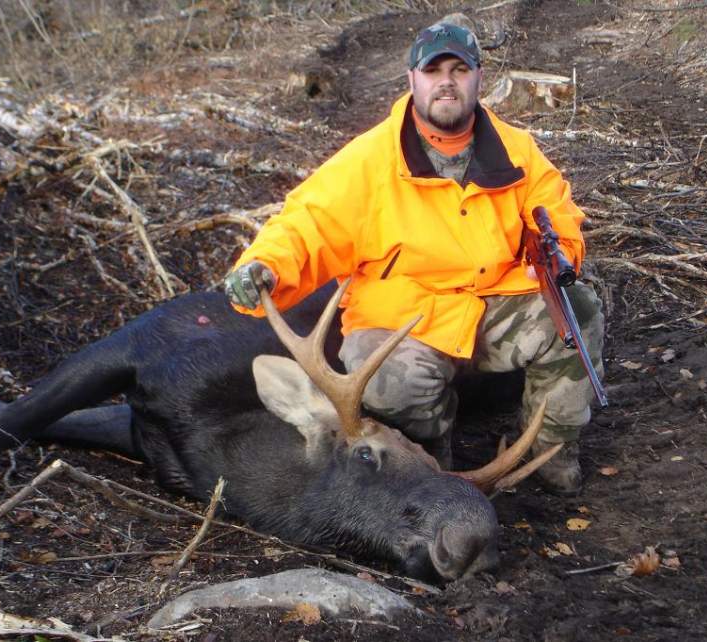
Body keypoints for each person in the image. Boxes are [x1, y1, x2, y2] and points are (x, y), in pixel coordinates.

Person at [223, 19, 604, 495]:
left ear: (479, 78)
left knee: (576, 314)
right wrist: (266, 267)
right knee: (386, 381)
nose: (447, 81)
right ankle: (430, 477)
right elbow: (306, 224)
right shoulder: (369, 160)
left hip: (491, 299)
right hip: (406, 314)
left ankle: (547, 454)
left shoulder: (516, 150)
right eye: (433, 70)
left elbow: (556, 211)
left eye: (459, 69)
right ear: (412, 80)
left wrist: (560, 253)